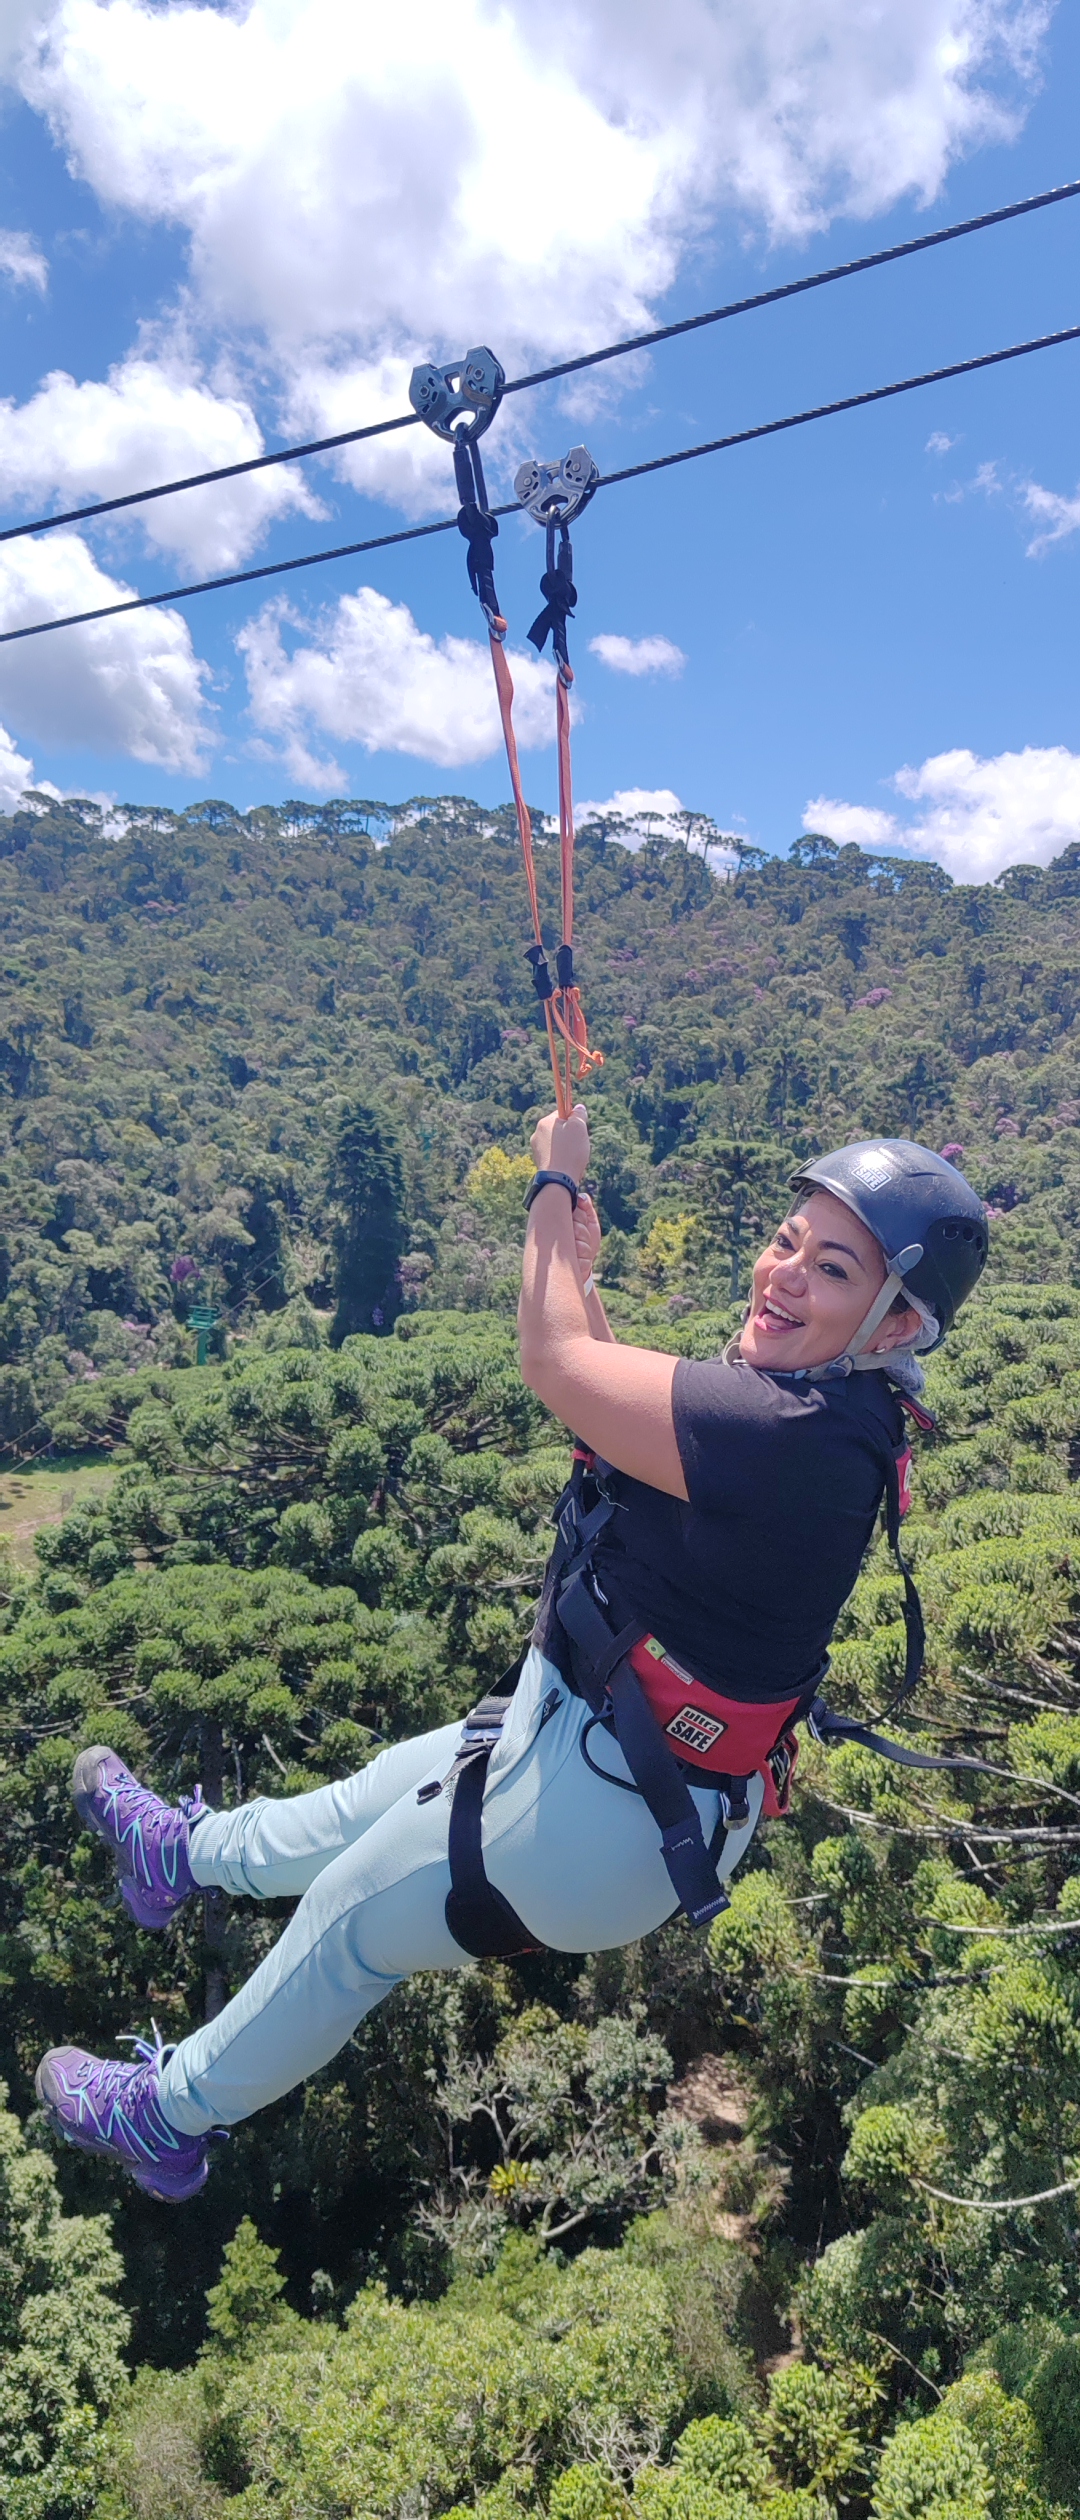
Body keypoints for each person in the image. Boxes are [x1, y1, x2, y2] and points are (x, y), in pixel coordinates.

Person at [35, 1117, 987, 2201]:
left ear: (901, 1318)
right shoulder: (829, 1412)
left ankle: (167, 2118)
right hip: (607, 1751)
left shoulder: (790, 1437)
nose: (782, 1275)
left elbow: (555, 1365)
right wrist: (575, 1274)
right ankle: (181, 1858)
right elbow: (614, 1393)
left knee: (350, 1919)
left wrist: (551, 1185)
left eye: (830, 1268)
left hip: (603, 1814)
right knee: (364, 1802)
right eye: (784, 1241)